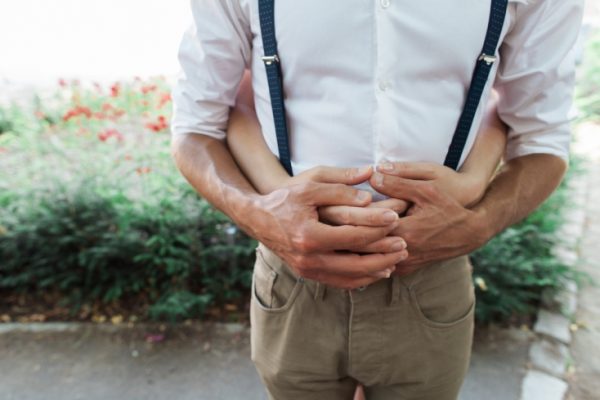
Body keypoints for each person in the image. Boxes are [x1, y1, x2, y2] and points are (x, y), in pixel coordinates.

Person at [170, 1, 583, 399]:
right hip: (294, 285)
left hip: (430, 279)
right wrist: (263, 217)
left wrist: (479, 224)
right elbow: (196, 126)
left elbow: (541, 139)